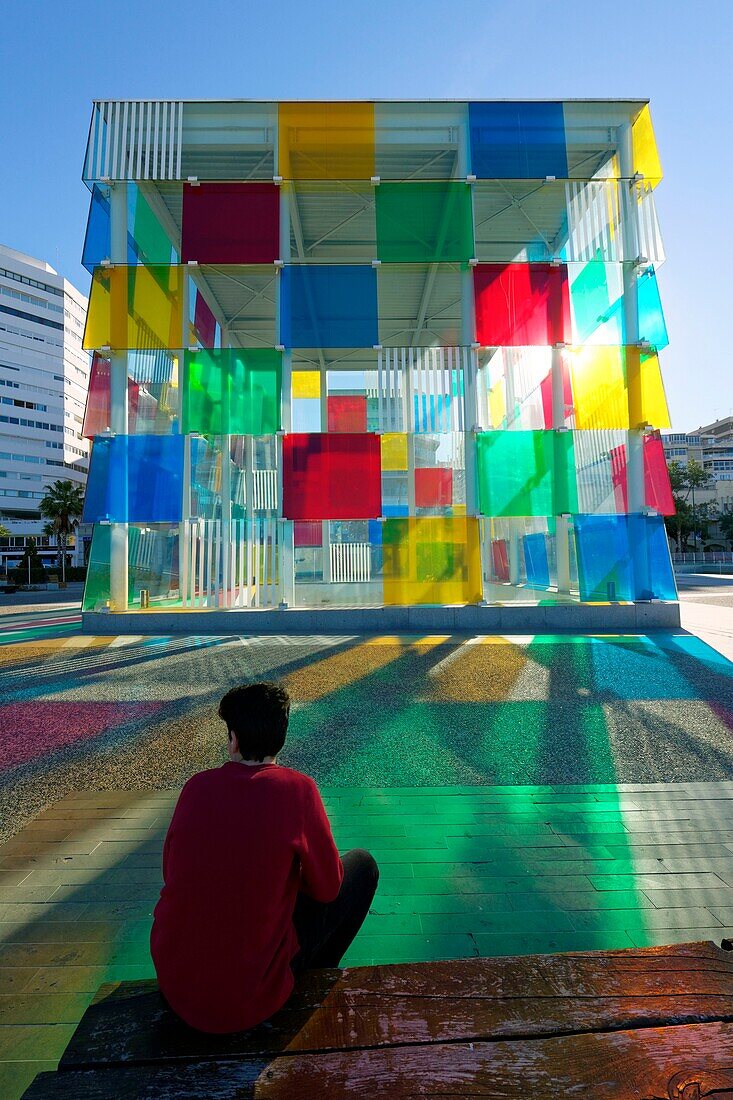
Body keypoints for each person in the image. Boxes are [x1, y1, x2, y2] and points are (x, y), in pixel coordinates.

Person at [150, 680, 379, 1034]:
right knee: (362, 866)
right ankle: (317, 975)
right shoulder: (298, 789)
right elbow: (329, 888)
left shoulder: (196, 787)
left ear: (234, 740)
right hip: (248, 999)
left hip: (177, 985)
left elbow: (172, 873)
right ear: (280, 738)